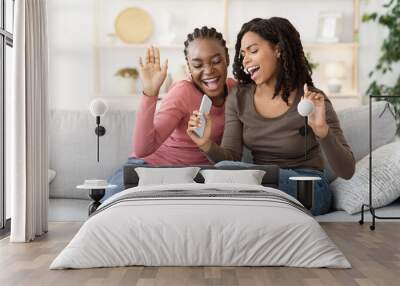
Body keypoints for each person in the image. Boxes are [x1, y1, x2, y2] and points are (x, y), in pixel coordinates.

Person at [187, 18, 355, 215]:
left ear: (278, 49)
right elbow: (230, 157)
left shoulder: (312, 100)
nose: (245, 59)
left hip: (307, 189)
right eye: (243, 54)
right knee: (226, 168)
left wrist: (322, 132)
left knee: (231, 174)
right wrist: (206, 144)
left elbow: (347, 171)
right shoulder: (239, 98)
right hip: (260, 185)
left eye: (253, 50)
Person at [102, 26, 236, 201]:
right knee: (111, 205)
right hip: (149, 167)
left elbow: (232, 157)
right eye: (197, 65)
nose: (208, 70)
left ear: (227, 59)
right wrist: (150, 92)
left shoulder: (237, 91)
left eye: (216, 60)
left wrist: (207, 144)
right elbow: (142, 150)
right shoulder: (182, 92)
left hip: (196, 177)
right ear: (189, 69)